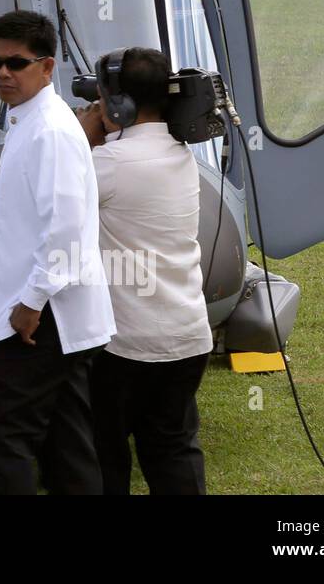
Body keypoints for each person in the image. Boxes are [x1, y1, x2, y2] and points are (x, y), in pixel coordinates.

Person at [0, 10, 115, 496]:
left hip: (42, 312)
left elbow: (66, 228)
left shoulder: (50, 130)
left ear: (48, 67)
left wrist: (31, 302)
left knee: (0, 434)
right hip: (50, 307)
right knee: (65, 439)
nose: (2, 73)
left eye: (16, 63)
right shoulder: (31, 120)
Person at [75, 47, 213, 495]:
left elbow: (51, 205)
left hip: (125, 346)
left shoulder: (107, 164)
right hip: (188, 335)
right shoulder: (181, 156)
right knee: (172, 447)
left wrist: (83, 138)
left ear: (118, 104)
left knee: (103, 452)